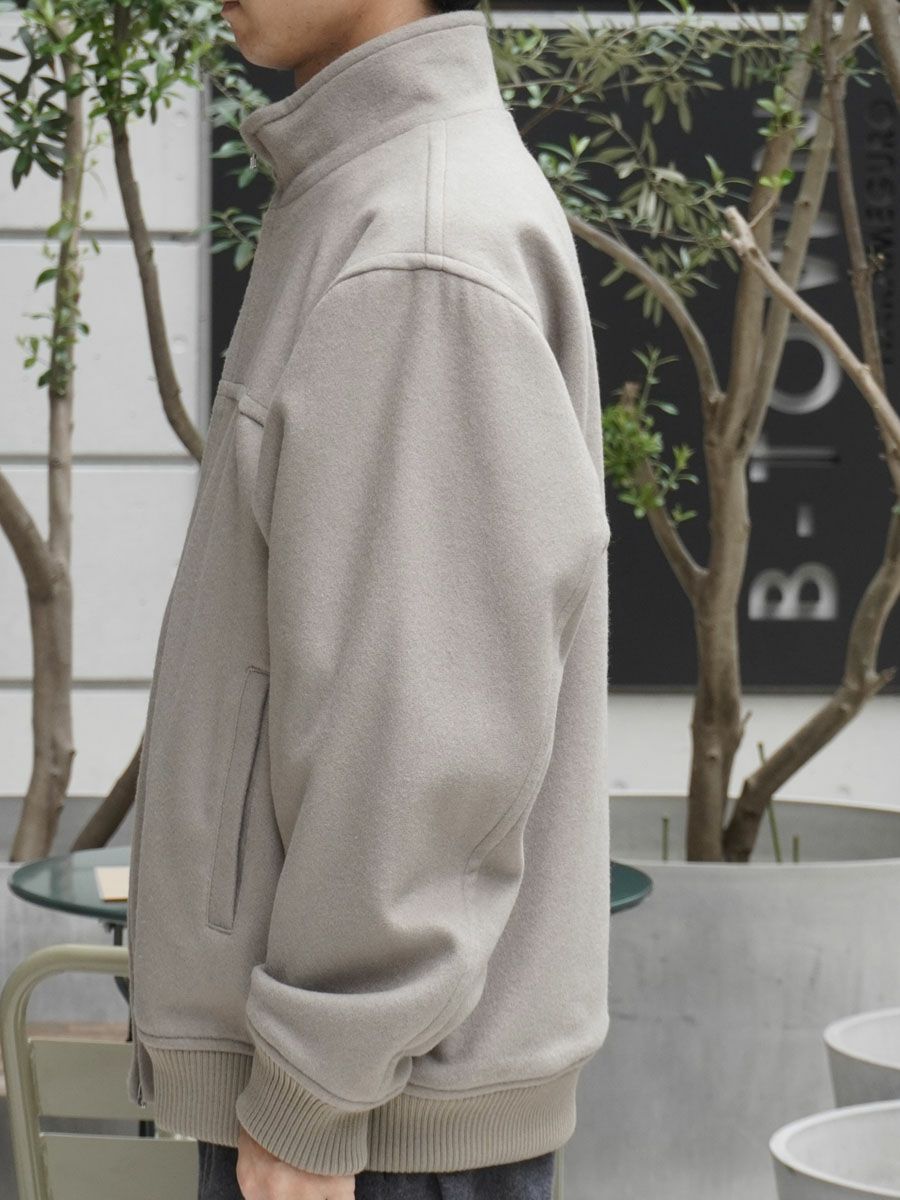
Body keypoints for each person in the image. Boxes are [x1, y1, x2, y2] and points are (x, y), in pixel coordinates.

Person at [124, 1, 612, 1197]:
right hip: (362, 1094)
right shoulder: (370, 194)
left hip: (362, 1122)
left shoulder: (419, 239)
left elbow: (421, 727)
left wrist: (315, 1088)